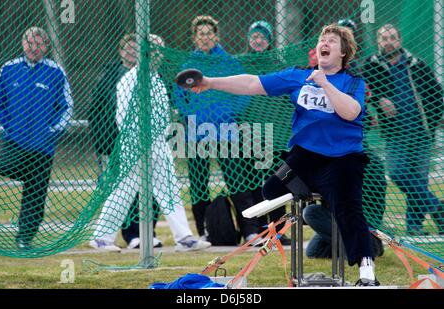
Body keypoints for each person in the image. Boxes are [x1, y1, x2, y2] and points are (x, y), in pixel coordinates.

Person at [184, 24, 379, 286]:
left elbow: (351, 112)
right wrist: (210, 83)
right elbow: (253, 83)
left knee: (347, 206)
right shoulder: (299, 76)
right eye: (323, 39)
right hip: (306, 155)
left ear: (343, 52)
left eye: (332, 40)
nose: (325, 43)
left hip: (343, 157)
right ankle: (313, 191)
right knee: (272, 188)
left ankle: (366, 269)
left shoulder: (353, 82)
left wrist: (324, 83)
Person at [89, 34, 211, 252]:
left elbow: (163, 116)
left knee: (169, 190)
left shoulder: (157, 79)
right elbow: (122, 117)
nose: (158, 55)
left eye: (160, 51)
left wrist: (161, 137)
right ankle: (101, 237)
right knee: (124, 190)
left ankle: (184, 237)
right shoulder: (129, 79)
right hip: (134, 145)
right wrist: (140, 140)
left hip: (157, 145)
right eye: (153, 51)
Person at [304, 19, 385, 258]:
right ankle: (354, 242)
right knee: (315, 251)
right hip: (337, 212)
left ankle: (366, 240)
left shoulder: (362, 158)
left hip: (358, 215)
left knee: (311, 214)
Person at [175, 15, 260, 244]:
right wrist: (190, 115)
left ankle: (250, 230)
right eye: (200, 34)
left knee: (237, 181)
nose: (205, 38)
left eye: (209, 33)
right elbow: (179, 97)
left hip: (226, 129)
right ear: (195, 38)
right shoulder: (187, 66)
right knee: (199, 183)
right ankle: (204, 231)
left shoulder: (229, 62)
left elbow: (244, 91)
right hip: (198, 131)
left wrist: (231, 113)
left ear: (216, 36)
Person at [0, 27, 73, 249]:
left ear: (46, 47)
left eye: (39, 44)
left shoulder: (56, 72)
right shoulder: (9, 69)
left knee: (36, 195)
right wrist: (5, 126)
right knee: (5, 167)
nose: (34, 48)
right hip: (14, 140)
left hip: (43, 145)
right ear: (23, 43)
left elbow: (67, 107)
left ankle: (24, 238)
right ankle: (31, 176)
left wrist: (53, 130)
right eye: (30, 42)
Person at [362, 24, 444, 236]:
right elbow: (366, 87)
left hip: (421, 132)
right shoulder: (372, 65)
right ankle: (438, 208)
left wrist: (433, 121)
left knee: (419, 178)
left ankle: (414, 227)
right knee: (398, 172)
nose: (387, 42)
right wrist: (380, 100)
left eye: (391, 38)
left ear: (399, 40)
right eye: (383, 38)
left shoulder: (417, 65)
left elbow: (437, 95)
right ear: (378, 42)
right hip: (395, 133)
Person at [88, 33, 161, 249]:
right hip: (120, 144)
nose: (131, 52)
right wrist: (106, 143)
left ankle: (148, 231)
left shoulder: (149, 75)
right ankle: (130, 235)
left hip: (148, 143)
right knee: (125, 189)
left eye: (136, 48)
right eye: (127, 48)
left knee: (153, 188)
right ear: (120, 52)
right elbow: (97, 112)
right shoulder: (110, 77)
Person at [245, 20, 290, 245]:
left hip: (275, 133)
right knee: (253, 181)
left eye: (262, 36)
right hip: (250, 131)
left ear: (269, 40)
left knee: (277, 180)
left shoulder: (277, 64)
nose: (258, 40)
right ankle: (258, 230)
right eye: (254, 36)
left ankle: (279, 229)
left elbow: (284, 103)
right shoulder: (243, 64)